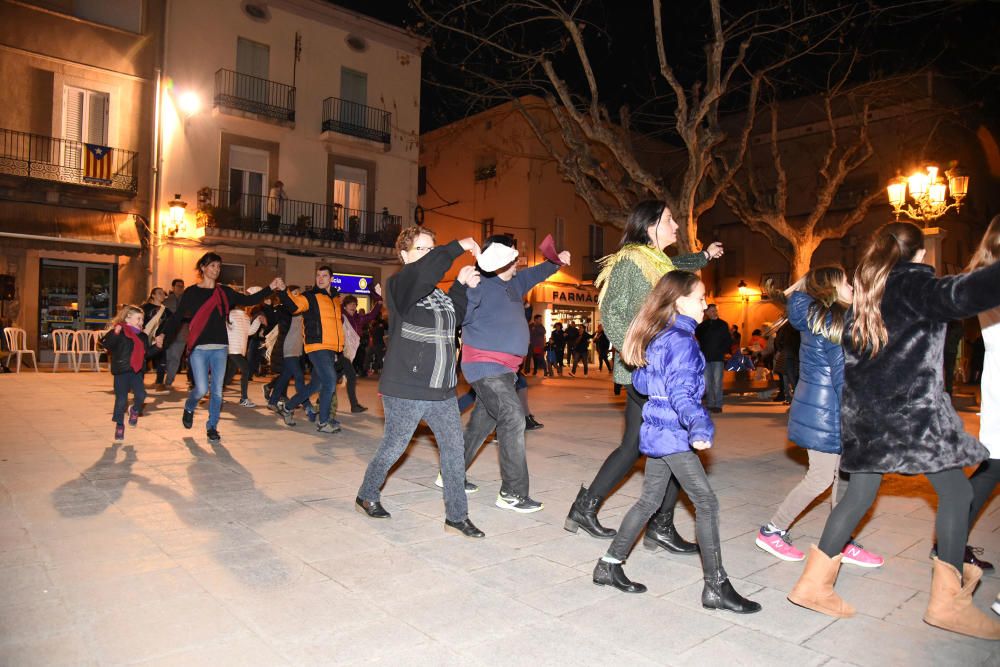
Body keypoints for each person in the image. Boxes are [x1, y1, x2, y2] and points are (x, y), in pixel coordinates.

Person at [787, 221, 1000, 640]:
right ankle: (948, 604)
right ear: (920, 254)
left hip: (865, 413)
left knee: (859, 495)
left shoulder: (868, 292)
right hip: (914, 416)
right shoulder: (917, 287)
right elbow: (965, 294)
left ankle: (812, 584)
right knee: (957, 493)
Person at [592, 270, 760, 613]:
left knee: (649, 501)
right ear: (680, 301)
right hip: (672, 434)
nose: (705, 304)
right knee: (707, 503)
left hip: (656, 430)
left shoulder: (661, 336)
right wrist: (698, 424)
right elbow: (681, 392)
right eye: (700, 298)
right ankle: (716, 587)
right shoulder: (681, 341)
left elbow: (641, 383)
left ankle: (609, 565)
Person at [566, 199, 723, 541]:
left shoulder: (656, 261)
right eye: (670, 219)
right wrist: (634, 352)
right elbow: (611, 311)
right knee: (671, 442)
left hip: (659, 366)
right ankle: (657, 525)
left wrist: (705, 257)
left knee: (639, 445)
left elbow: (676, 266)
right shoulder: (630, 260)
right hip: (649, 369)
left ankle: (594, 510)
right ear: (650, 225)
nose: (676, 226)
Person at [357, 228, 485, 538]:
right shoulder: (399, 285)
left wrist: (462, 285)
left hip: (441, 389)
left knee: (454, 449)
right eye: (421, 249)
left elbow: (454, 318)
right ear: (404, 256)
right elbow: (427, 271)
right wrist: (458, 246)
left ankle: (456, 516)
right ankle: (367, 493)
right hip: (406, 386)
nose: (428, 254)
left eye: (432, 248)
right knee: (394, 446)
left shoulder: (436, 293)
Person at [754, 268, 883, 568]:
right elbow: (843, 377)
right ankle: (772, 530)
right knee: (822, 476)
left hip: (820, 408)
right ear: (831, 288)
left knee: (841, 476)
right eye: (846, 282)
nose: (851, 286)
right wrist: (860, 416)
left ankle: (842, 539)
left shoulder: (819, 319)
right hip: (828, 413)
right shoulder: (834, 323)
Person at [461, 236, 569, 512]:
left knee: (480, 426)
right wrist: (468, 290)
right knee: (512, 417)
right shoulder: (479, 285)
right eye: (511, 261)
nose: (517, 265)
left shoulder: (514, 283)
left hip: (506, 372)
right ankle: (512, 493)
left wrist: (556, 262)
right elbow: (461, 316)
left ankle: (451, 471)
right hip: (485, 366)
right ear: (495, 263)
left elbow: (535, 273)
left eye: (516, 260)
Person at [161, 252, 280, 443]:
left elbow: (248, 300)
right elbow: (177, 317)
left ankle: (212, 426)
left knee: (217, 390)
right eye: (212, 266)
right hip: (199, 348)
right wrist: (163, 334)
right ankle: (190, 407)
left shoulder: (224, 292)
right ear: (202, 268)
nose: (216, 270)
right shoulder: (191, 293)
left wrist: (270, 288)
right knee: (200, 389)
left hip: (220, 348)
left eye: (218, 266)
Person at [963, 215, 1000, 576]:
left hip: (995, 375)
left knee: (993, 468)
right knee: (992, 468)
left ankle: (951, 541)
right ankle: (950, 542)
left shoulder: (982, 278)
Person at [276, 266, 346, 434]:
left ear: (331, 279)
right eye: (318, 276)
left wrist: (338, 350)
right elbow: (294, 306)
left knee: (316, 385)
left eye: (324, 276)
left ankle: (287, 407)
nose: (320, 278)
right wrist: (283, 291)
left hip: (330, 349)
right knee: (330, 382)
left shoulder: (335, 299)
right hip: (316, 346)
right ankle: (323, 423)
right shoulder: (310, 296)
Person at [102, 306, 164, 441]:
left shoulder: (142, 336)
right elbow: (106, 345)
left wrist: (157, 347)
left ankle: (134, 410)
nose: (141, 322)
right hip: (122, 371)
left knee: (141, 395)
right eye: (138, 319)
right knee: (121, 400)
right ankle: (119, 425)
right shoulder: (119, 331)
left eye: (142, 319)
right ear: (127, 318)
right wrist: (115, 333)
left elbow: (146, 354)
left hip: (137, 371)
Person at [340, 292, 383, 412]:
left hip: (349, 353)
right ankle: (354, 405)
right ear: (345, 306)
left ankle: (319, 401)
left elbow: (372, 315)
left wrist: (378, 302)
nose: (353, 306)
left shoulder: (358, 318)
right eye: (350, 304)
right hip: (339, 352)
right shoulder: (340, 315)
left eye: (354, 304)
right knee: (352, 376)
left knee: (331, 378)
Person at [224, 293, 264, 407]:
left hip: (235, 349)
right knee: (245, 369)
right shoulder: (231, 315)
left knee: (230, 373)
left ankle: (216, 394)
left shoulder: (242, 316)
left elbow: (249, 332)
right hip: (234, 350)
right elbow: (249, 332)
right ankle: (243, 398)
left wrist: (257, 321)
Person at [695, 304, 730, 413]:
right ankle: (710, 403)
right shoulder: (702, 326)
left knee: (717, 382)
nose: (714, 312)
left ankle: (718, 404)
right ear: (706, 313)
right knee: (707, 382)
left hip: (718, 358)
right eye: (711, 311)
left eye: (715, 310)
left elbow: (728, 340)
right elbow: (698, 339)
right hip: (705, 357)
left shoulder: (723, 324)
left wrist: (722, 351)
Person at [142, 287, 171, 390]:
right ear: (153, 295)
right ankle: (138, 382)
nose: (162, 295)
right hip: (145, 338)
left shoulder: (167, 311)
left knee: (161, 360)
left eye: (163, 293)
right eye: (159, 293)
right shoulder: (144, 308)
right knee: (142, 360)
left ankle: (159, 383)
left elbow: (172, 324)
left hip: (159, 339)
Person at [162, 278, 189, 390]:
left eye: (182, 286)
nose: (180, 288)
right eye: (178, 286)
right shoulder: (166, 301)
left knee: (176, 358)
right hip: (168, 333)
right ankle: (166, 376)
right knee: (168, 357)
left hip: (182, 333)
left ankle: (169, 380)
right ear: (173, 287)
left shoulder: (187, 301)